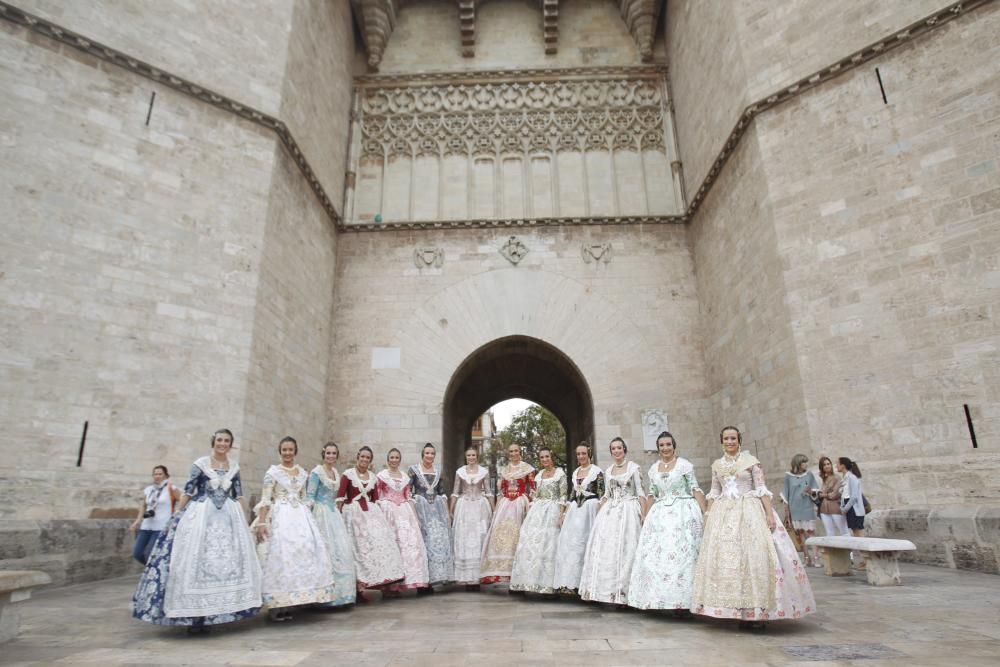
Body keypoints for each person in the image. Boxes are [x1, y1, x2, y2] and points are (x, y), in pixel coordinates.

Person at [132, 429, 261, 633]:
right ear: (213, 442)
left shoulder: (234, 467)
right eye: (219, 440)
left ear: (231, 444)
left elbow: (239, 495)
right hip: (201, 516)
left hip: (228, 517)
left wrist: (246, 519)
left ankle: (216, 612)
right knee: (194, 562)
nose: (222, 443)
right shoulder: (200, 464)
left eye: (226, 441)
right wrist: (177, 513)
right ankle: (195, 616)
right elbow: (189, 490)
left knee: (224, 564)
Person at [691, 426, 815, 625]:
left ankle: (758, 611)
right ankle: (733, 608)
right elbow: (714, 491)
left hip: (749, 511)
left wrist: (769, 514)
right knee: (729, 561)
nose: (730, 442)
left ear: (739, 440)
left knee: (753, 558)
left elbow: (761, 488)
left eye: (733, 438)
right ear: (721, 441)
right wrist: (707, 515)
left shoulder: (751, 462)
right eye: (726, 438)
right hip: (723, 514)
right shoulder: (717, 465)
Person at [253, 437, 336, 620]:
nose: (287, 453)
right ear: (280, 451)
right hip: (280, 516)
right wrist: (261, 521)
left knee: (300, 554)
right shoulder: (272, 473)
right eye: (284, 450)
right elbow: (266, 498)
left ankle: (291, 601)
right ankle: (276, 605)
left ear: (295, 451)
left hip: (299, 516)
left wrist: (307, 510)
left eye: (291, 450)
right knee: (280, 557)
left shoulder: (302, 473)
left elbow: (305, 496)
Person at [627, 431, 706, 611]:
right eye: (661, 445)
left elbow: (694, 488)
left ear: (674, 446)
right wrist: (645, 515)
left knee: (684, 556)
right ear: (658, 448)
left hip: (683, 513)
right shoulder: (654, 469)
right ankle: (659, 600)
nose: (665, 448)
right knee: (657, 556)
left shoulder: (684, 465)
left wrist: (705, 512)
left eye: (668, 444)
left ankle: (685, 603)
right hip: (660, 515)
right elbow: (652, 493)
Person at [579, 437, 646, 605]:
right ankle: (608, 593)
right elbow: (607, 494)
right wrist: (599, 509)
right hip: (610, 511)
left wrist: (644, 514)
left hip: (629, 509)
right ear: (611, 452)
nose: (616, 451)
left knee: (627, 549)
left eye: (619, 448)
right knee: (608, 550)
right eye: (613, 449)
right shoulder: (608, 471)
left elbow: (641, 492)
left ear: (624, 449)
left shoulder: (633, 468)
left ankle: (627, 593)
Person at [337, 446, 405, 594]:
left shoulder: (373, 477)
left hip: (370, 514)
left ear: (370, 461)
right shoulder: (348, 475)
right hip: (353, 514)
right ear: (358, 457)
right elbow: (340, 497)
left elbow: (374, 499)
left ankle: (385, 582)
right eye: (362, 456)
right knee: (357, 549)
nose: (364, 460)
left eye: (368, 458)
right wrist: (338, 517)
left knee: (380, 544)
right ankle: (358, 588)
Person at [306, 442, 357, 607]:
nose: (331, 456)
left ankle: (343, 595)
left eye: (334, 453)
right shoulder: (316, 472)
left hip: (333, 514)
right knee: (325, 550)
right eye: (328, 453)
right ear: (323, 454)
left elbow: (336, 496)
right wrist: (307, 518)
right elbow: (310, 496)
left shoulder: (335, 472)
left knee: (341, 550)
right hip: (320, 513)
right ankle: (323, 597)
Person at [510, 448, 567, 594]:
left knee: (549, 545)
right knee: (529, 544)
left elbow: (563, 496)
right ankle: (527, 582)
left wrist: (561, 515)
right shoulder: (539, 475)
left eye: (547, 456)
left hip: (553, 509)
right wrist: (530, 511)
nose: (545, 459)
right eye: (542, 457)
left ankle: (549, 586)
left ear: (551, 457)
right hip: (538, 510)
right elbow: (535, 495)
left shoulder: (560, 474)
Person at [552, 442, 604, 594]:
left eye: (583, 453)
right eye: (578, 454)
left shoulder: (597, 471)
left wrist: (601, 513)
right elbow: (572, 495)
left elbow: (602, 493)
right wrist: (564, 513)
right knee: (571, 544)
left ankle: (587, 584)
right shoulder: (575, 473)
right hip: (575, 511)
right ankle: (571, 583)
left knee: (587, 544)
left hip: (590, 509)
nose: (581, 456)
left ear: (589, 454)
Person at [480, 443, 535, 584]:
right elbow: (501, 492)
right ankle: (505, 572)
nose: (514, 453)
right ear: (508, 453)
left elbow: (533, 490)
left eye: (516, 450)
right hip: (505, 505)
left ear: (519, 452)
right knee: (501, 536)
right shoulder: (504, 470)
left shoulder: (528, 469)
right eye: (511, 451)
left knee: (519, 536)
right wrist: (496, 509)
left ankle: (520, 576)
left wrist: (532, 506)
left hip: (521, 503)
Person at [376, 448, 430, 592]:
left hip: (404, 512)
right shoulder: (382, 476)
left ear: (400, 460)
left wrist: (415, 517)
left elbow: (407, 496)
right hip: (388, 510)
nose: (394, 460)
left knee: (409, 545)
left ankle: (409, 580)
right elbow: (376, 495)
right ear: (388, 459)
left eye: (397, 457)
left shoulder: (405, 477)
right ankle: (389, 585)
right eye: (392, 457)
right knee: (391, 545)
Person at [408, 443, 455, 589]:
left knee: (437, 541)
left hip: (437, 510)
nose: (429, 456)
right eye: (427, 453)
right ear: (422, 454)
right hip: (420, 509)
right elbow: (409, 491)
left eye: (432, 453)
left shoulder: (438, 471)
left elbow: (441, 492)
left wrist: (447, 513)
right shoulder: (413, 470)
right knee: (423, 541)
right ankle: (424, 581)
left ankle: (439, 576)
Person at [450, 446, 493, 587]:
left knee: (480, 537)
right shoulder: (460, 472)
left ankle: (479, 576)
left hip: (480, 507)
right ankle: (466, 577)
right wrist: (451, 510)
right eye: (469, 455)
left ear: (477, 456)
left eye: (473, 455)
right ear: (465, 457)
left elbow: (488, 492)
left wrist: (494, 510)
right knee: (464, 538)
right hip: (464, 507)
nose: (471, 458)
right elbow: (455, 492)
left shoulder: (484, 472)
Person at [130, 465, 180, 565]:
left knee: (150, 554)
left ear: (166, 475)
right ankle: (154, 570)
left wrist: (176, 513)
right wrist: (137, 521)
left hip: (161, 527)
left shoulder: (171, 488)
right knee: (137, 553)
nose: (157, 476)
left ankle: (153, 575)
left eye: (160, 474)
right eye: (155, 474)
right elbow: (144, 506)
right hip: (146, 526)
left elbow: (182, 501)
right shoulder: (148, 490)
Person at [783, 454, 821, 567]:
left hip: (807, 507)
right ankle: (806, 558)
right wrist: (786, 511)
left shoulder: (809, 475)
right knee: (800, 534)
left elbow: (815, 490)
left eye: (806, 462)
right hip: (795, 508)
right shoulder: (788, 476)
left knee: (811, 533)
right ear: (798, 463)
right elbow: (786, 494)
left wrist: (811, 492)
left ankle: (816, 558)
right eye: (804, 462)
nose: (806, 464)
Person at [838, 456, 866, 569]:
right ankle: (864, 560)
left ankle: (866, 560)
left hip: (855, 509)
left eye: (838, 464)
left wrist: (845, 509)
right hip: (850, 509)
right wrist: (842, 506)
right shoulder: (845, 478)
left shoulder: (852, 478)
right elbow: (845, 495)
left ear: (843, 465)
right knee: (856, 534)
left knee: (859, 534)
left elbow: (853, 496)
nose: (836, 466)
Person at [816, 455, 848, 537]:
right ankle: (833, 550)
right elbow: (820, 494)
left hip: (835, 508)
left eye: (828, 464)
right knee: (829, 533)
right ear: (821, 467)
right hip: (824, 509)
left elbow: (834, 495)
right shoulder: (823, 479)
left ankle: (853, 550)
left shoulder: (837, 477)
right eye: (824, 465)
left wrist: (822, 494)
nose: (827, 466)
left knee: (844, 531)